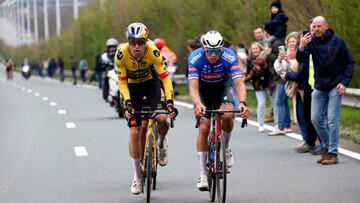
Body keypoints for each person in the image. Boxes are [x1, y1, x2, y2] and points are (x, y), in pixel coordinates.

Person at [115, 22, 178, 194]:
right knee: (135, 130)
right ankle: (137, 177)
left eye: (140, 42)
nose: (136, 46)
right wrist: (127, 102)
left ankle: (161, 141)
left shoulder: (153, 51)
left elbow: (165, 79)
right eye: (133, 42)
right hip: (132, 88)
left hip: (151, 84)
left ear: (146, 41)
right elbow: (121, 82)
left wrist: (170, 101)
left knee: (162, 118)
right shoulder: (121, 54)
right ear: (128, 41)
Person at [188, 30, 250, 191]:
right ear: (204, 48)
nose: (213, 55)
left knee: (228, 115)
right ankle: (202, 174)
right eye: (210, 51)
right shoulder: (195, 57)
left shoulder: (229, 56)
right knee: (203, 127)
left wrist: (242, 102)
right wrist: (197, 104)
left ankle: (226, 147)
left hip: (223, 87)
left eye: (217, 51)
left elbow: (239, 83)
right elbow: (193, 88)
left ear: (221, 49)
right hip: (203, 90)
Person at [297, 16, 355, 165]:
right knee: (315, 119)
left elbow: (350, 62)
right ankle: (328, 147)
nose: (316, 29)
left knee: (332, 120)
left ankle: (333, 153)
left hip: (335, 86)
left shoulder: (338, 41)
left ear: (326, 27)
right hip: (319, 87)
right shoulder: (312, 42)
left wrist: (344, 82)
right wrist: (301, 46)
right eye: (314, 26)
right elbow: (301, 59)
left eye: (319, 26)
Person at [245, 42, 272, 132]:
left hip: (269, 83)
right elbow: (248, 72)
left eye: (257, 48)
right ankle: (261, 124)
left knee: (275, 104)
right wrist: (247, 78)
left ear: (260, 49)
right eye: (253, 49)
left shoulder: (266, 57)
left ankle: (278, 125)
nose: (255, 50)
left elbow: (270, 69)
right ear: (251, 51)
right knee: (261, 104)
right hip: (258, 85)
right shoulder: (249, 60)